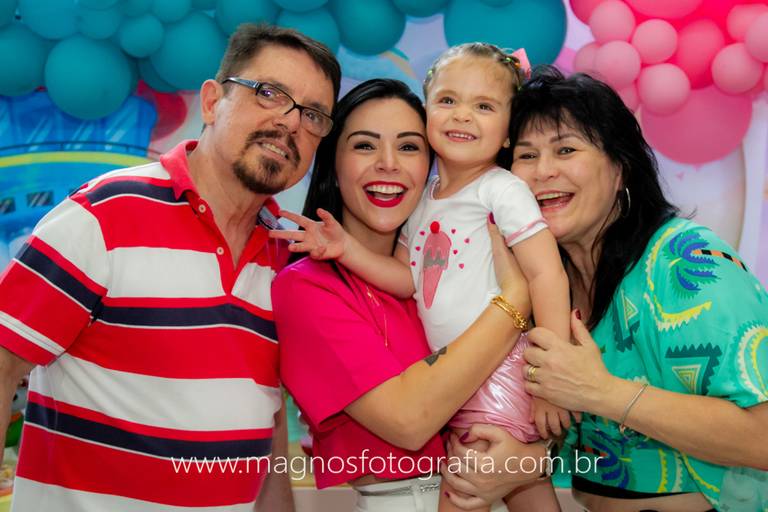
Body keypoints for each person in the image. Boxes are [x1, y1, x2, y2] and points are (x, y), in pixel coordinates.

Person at [0, 24, 340, 511]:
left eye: (313, 115)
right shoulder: (104, 215)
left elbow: (265, 432)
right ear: (212, 102)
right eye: (269, 93)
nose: (290, 122)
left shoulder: (287, 256)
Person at [442, 66, 768, 512]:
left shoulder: (686, 263)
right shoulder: (547, 283)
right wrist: (529, 461)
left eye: (566, 149)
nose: (543, 172)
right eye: (526, 155)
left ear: (620, 169)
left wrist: (601, 392)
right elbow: (600, 442)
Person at [273, 44, 571, 512]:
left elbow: (547, 273)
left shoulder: (501, 191)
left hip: (504, 384)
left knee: (489, 482)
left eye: (408, 146)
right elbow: (410, 418)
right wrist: (515, 300)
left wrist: (549, 383)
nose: (388, 163)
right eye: (365, 145)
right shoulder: (310, 285)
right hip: (407, 494)